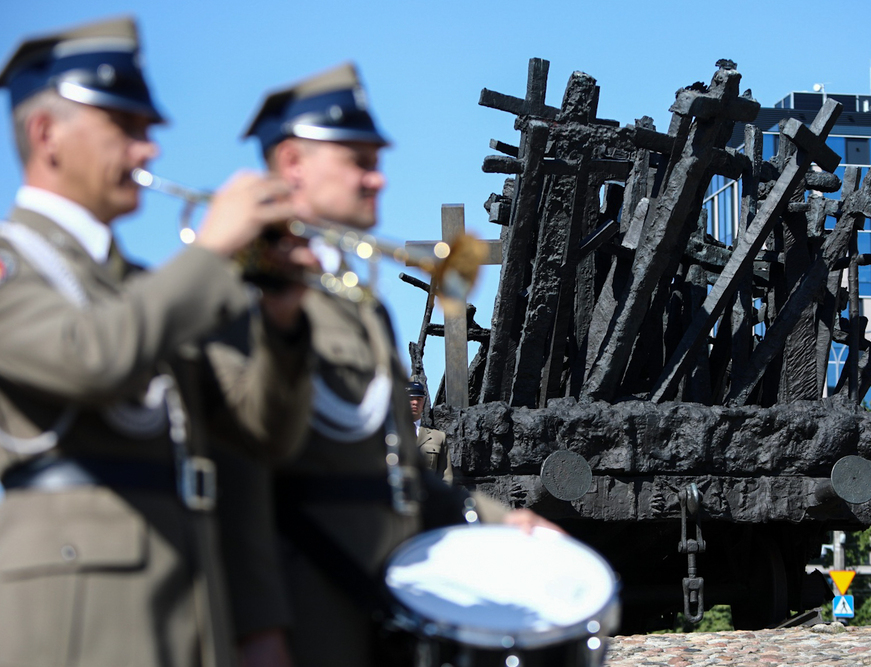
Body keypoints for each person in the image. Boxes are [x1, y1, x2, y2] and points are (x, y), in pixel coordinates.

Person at [0, 17, 314, 667]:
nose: (149, 152)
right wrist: (215, 250)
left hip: (190, 606)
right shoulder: (12, 264)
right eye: (126, 128)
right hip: (75, 622)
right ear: (45, 135)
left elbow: (262, 434)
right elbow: (93, 359)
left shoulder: (148, 288)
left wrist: (282, 321)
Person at [225, 62, 560, 667]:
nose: (378, 179)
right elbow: (233, 474)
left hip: (379, 606)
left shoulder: (361, 305)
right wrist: (256, 628)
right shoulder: (237, 294)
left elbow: (400, 474)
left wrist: (497, 522)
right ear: (293, 164)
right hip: (300, 614)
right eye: (359, 161)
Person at [408, 379, 452, 482]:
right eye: (411, 398)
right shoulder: (390, 434)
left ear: (423, 402)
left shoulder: (438, 437)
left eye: (419, 399)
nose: (415, 402)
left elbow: (446, 477)